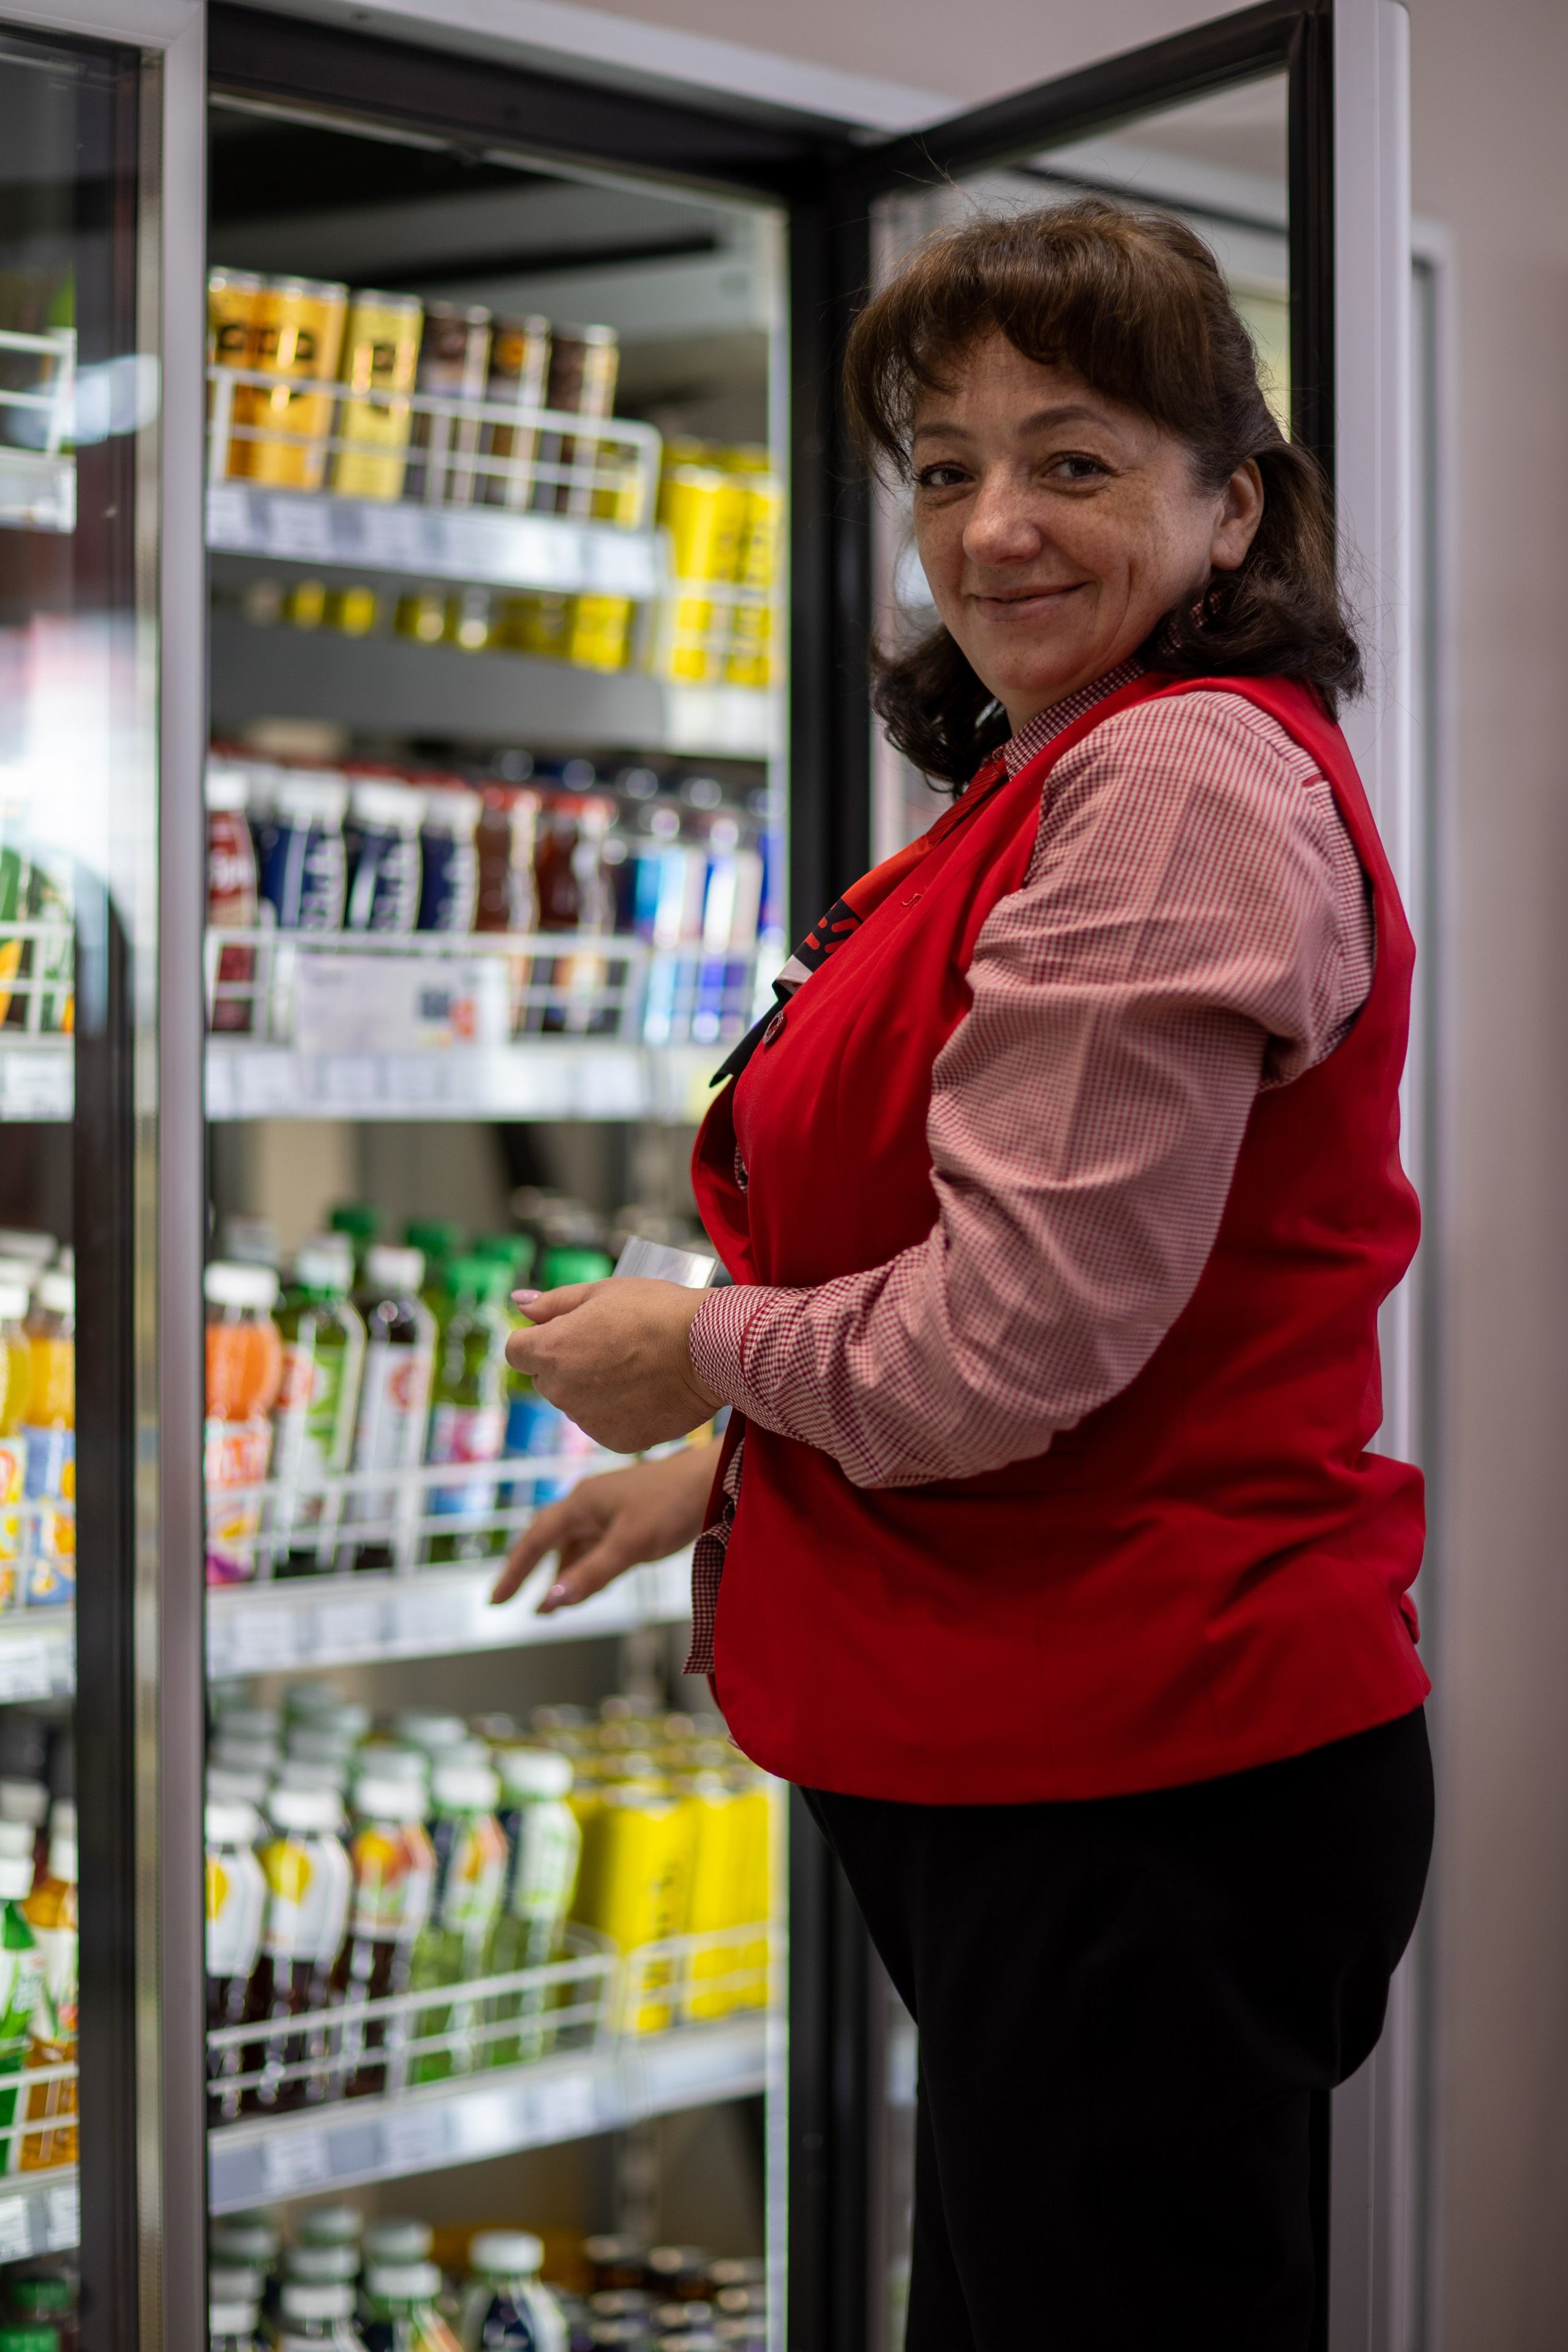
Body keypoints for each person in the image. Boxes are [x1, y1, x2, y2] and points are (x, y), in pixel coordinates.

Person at [491, 197, 1433, 2350]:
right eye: (943, 466)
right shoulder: (1063, 767)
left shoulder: (1176, 780)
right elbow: (1043, 1271)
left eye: (1075, 459)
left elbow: (1010, 1337)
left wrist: (700, 1351)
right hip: (1062, 1754)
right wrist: (733, 1469)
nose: (994, 524)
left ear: (1234, 505)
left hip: (1138, 1776)